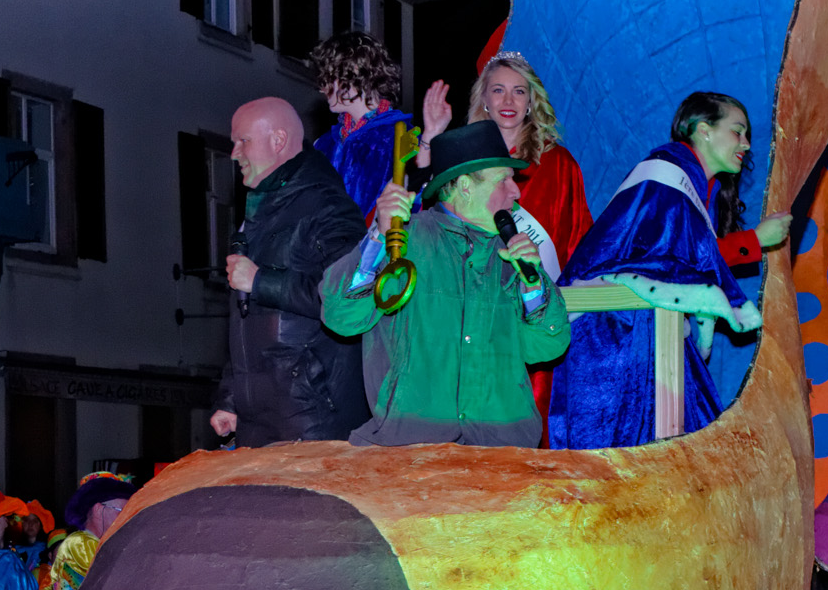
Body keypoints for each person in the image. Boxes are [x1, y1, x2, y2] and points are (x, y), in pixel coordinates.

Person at [549, 92, 790, 450]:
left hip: (644, 331)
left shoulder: (691, 184)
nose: (746, 144)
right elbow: (664, 264)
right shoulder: (667, 174)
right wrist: (754, 240)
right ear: (703, 130)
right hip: (615, 336)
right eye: (737, 131)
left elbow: (685, 257)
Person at [320, 121, 569, 447]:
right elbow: (341, 315)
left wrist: (533, 287)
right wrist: (379, 236)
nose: (516, 191)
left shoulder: (513, 257)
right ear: (465, 186)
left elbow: (547, 348)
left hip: (502, 450)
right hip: (413, 448)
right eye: (503, 179)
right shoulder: (405, 241)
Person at [425, 53, 593, 423]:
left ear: (532, 101)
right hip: (470, 310)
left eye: (519, 91)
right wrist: (431, 139)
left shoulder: (559, 164)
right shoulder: (462, 160)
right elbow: (427, 221)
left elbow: (580, 242)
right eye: (498, 90)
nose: (508, 100)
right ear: (483, 98)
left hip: (533, 313)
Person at [211, 96, 371, 448]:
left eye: (243, 141)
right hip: (261, 419)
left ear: (278, 140)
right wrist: (231, 398)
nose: (235, 154)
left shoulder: (327, 207)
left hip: (312, 417)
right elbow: (247, 319)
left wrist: (260, 281)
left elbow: (349, 297)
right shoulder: (261, 212)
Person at [310, 32, 417, 217]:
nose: (322, 89)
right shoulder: (323, 145)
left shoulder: (400, 137)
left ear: (354, 72)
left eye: (327, 78)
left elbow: (414, 207)